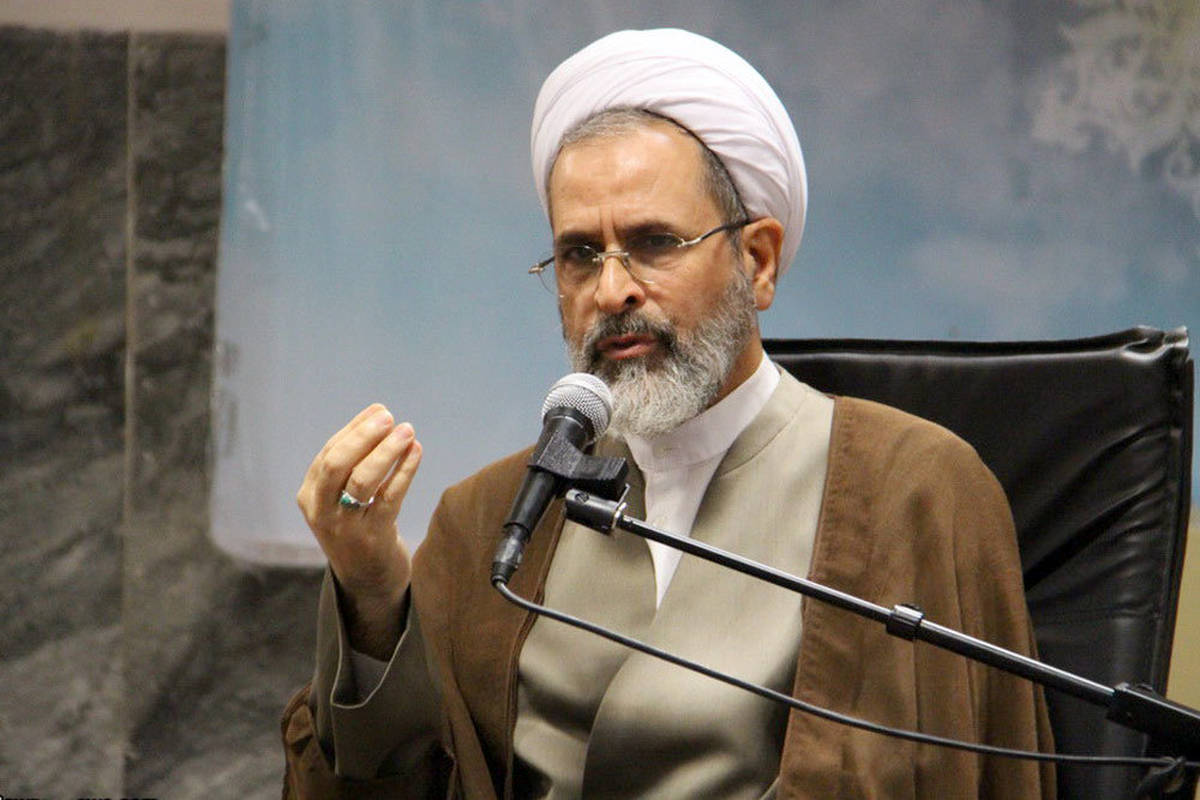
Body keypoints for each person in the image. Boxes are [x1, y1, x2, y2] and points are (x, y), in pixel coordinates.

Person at [281, 28, 1055, 799]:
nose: (611, 290)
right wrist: (372, 595)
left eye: (654, 243)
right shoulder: (490, 522)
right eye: (580, 254)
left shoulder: (910, 488)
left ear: (757, 261)